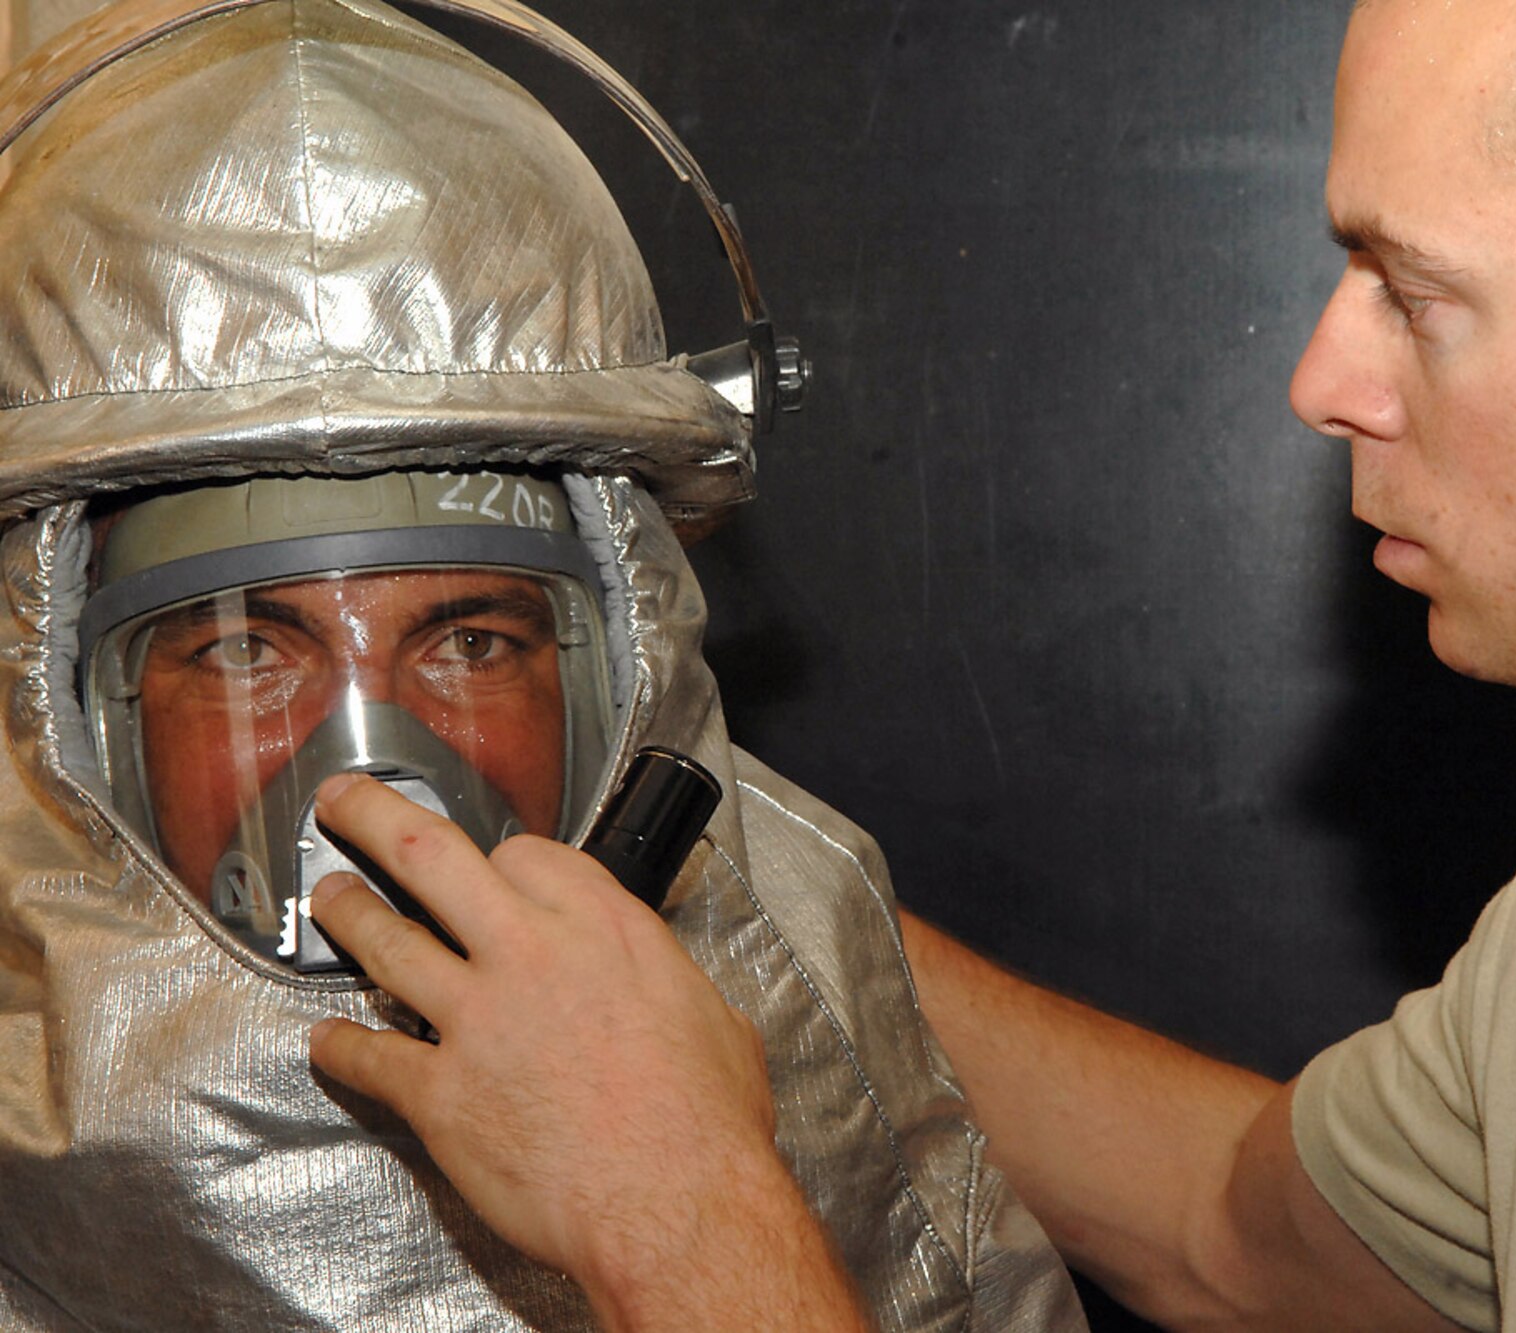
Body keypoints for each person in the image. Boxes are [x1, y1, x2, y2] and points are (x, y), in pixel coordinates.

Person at [304, 0, 1516, 1327]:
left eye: (1412, 291)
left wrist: (673, 1210)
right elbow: (1229, 1232)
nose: (1323, 378)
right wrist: (687, 815)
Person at [0, 1, 1085, 1328]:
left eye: (470, 642)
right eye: (240, 650)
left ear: (617, 668)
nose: (368, 786)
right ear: (67, 699)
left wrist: (681, 1207)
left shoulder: (810, 989)